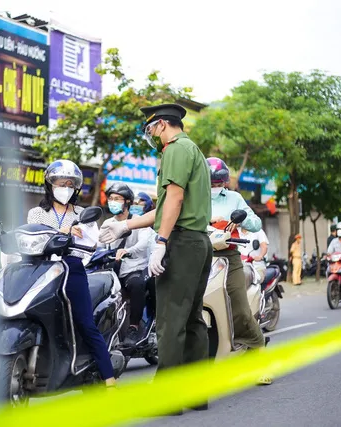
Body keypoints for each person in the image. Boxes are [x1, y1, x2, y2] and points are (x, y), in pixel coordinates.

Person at [99, 104, 213, 411]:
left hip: (181, 241)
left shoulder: (174, 150)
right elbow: (164, 207)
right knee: (191, 319)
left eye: (150, 129)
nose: (149, 136)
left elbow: (173, 200)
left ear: (161, 125)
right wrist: (126, 224)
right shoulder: (193, 150)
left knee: (170, 318)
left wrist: (161, 241)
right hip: (199, 241)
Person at [27, 159, 116, 388]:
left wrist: (77, 233)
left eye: (69, 183)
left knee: (86, 323)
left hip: (72, 268)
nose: (64, 187)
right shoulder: (36, 214)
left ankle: (109, 379)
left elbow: (91, 241)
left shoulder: (82, 213)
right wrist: (64, 231)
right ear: (50, 184)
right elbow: (34, 237)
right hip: (41, 269)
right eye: (59, 182)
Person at [207, 157, 271, 385]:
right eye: (210, 183)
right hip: (202, 258)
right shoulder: (195, 198)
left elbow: (255, 223)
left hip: (229, 258)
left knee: (240, 309)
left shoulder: (234, 198)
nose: (213, 188)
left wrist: (239, 220)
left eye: (217, 183)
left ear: (224, 182)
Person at [101, 183, 152, 346]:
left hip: (133, 269)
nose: (113, 202)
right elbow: (99, 244)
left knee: (137, 285)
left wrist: (128, 251)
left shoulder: (139, 221)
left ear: (128, 202)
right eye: (111, 198)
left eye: (117, 199)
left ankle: (134, 327)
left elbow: (144, 243)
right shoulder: (107, 223)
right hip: (112, 271)